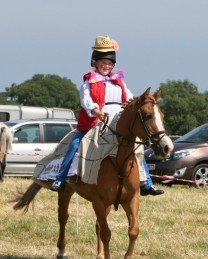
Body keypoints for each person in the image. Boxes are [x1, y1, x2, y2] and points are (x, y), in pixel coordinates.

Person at [51, 35, 164, 196]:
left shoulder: (119, 81)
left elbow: (130, 96)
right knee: (76, 144)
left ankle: (146, 184)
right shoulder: (89, 82)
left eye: (109, 64)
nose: (106, 66)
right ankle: (60, 178)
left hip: (117, 121)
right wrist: (96, 111)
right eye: (103, 63)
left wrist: (133, 102)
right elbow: (85, 100)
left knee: (137, 147)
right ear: (95, 63)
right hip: (97, 120)